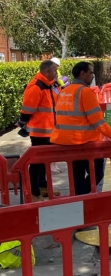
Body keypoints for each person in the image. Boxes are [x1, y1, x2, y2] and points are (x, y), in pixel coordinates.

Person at [50, 61, 111, 195]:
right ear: (82, 74)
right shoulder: (85, 92)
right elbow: (98, 122)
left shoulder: (64, 92)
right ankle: (82, 199)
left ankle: (78, 201)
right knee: (97, 174)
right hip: (84, 142)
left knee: (77, 176)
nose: (93, 76)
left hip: (66, 142)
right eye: (91, 73)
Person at [18, 59, 60, 202]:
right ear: (47, 71)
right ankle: (33, 192)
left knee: (44, 161)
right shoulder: (37, 86)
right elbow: (27, 109)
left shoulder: (49, 85)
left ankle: (42, 186)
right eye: (54, 70)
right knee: (36, 163)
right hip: (39, 132)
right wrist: (22, 123)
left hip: (49, 130)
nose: (56, 73)